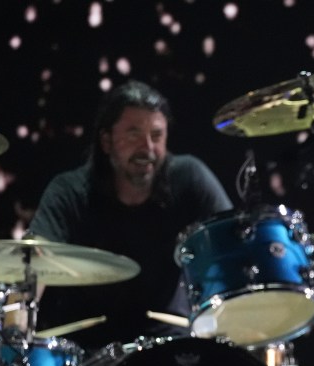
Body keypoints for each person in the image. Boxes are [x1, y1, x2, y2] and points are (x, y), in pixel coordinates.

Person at [28, 80, 233, 349]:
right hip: (86, 351)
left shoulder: (190, 178)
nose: (147, 147)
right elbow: (34, 263)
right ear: (106, 141)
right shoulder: (71, 191)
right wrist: (17, 322)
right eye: (133, 134)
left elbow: (232, 244)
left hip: (171, 346)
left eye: (157, 135)